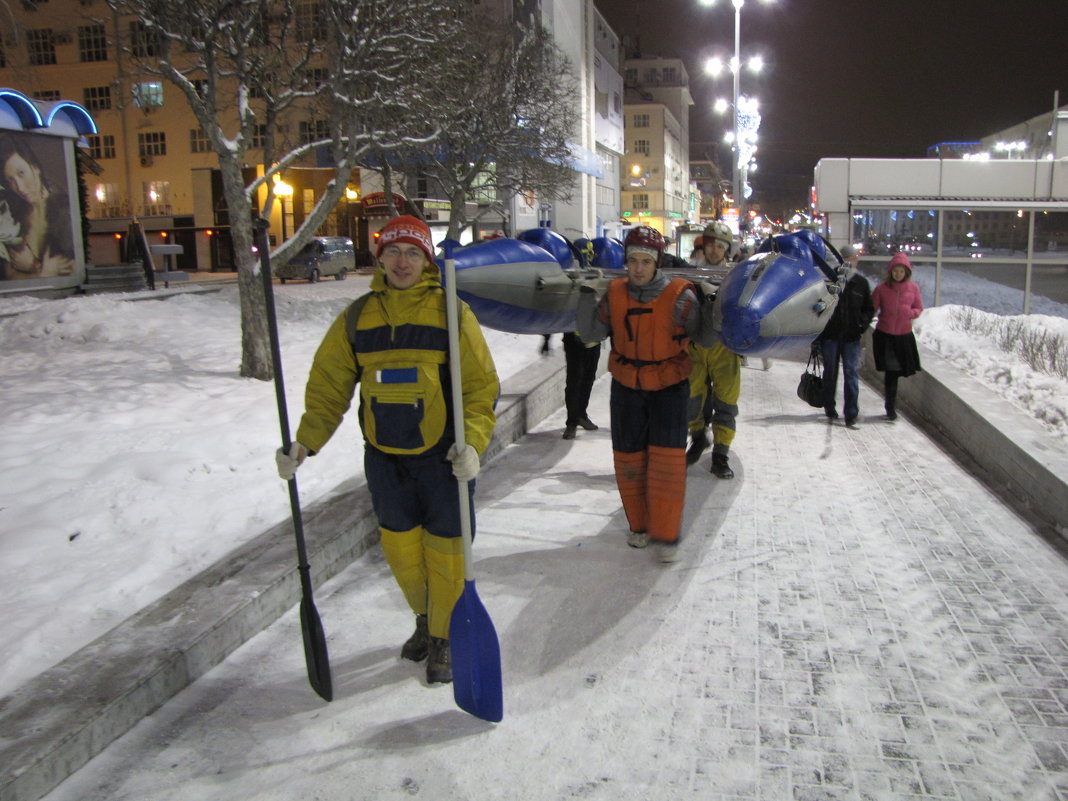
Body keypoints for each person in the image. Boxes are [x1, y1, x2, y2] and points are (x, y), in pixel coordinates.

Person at [275, 214, 500, 685]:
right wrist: (304, 443)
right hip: (385, 458)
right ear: (380, 258)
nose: (403, 262)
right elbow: (329, 387)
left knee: (448, 553)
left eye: (413, 252)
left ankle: (443, 636)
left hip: (444, 457)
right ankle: (424, 618)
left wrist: (474, 444)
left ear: (427, 260)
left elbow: (480, 388)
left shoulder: (451, 313)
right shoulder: (358, 317)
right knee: (401, 551)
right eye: (394, 252)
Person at [576, 225, 701, 562]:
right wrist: (585, 295)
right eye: (634, 261)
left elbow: (703, 336)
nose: (639, 268)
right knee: (629, 460)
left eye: (647, 261)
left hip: (669, 388)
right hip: (627, 388)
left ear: (658, 262)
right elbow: (590, 332)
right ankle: (640, 526)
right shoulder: (614, 294)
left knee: (666, 463)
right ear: (626, 262)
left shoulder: (681, 297)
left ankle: (665, 533)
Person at [685, 221, 743, 479]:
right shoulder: (688, 275)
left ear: (727, 250)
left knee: (726, 402)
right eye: (711, 245)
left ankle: (721, 454)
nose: (715, 250)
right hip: (695, 346)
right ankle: (698, 438)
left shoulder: (736, 277)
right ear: (703, 246)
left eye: (720, 246)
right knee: (691, 399)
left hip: (724, 348)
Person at [814, 244, 874, 427]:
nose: (849, 263)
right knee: (830, 372)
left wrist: (861, 325)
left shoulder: (861, 284)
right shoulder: (830, 281)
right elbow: (819, 307)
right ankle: (829, 406)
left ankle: (851, 412)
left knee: (851, 373)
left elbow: (868, 309)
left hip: (851, 337)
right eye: (846, 260)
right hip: (831, 335)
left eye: (852, 260)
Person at [0, 135, 75, 280]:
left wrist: (32, 266)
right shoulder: (12, 214)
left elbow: (72, 269)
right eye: (11, 180)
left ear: (35, 167)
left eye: (21, 173)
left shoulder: (63, 210)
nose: (20, 187)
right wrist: (42, 272)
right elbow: (9, 274)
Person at [871, 251, 923, 420]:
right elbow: (872, 308)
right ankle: (890, 408)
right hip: (885, 336)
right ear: (890, 271)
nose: (898, 274)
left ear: (906, 272)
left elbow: (919, 308)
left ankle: (891, 405)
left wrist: (910, 313)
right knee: (891, 373)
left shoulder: (913, 288)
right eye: (895, 271)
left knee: (897, 373)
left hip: (903, 336)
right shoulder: (881, 289)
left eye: (901, 271)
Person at [561, 330, 601, 439]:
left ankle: (581, 415)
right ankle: (572, 422)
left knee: (588, 379)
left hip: (593, 341)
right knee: (574, 381)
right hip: (574, 342)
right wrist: (546, 338)